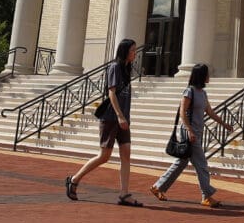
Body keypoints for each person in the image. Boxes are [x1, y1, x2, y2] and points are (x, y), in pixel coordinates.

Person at [65, 38, 142, 206]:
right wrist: (120, 116)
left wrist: (125, 117)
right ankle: (74, 179)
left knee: (126, 154)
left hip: (123, 119)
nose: (135, 53)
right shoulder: (115, 67)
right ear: (124, 51)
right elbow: (112, 94)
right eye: (132, 50)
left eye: (135, 50)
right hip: (111, 118)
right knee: (104, 156)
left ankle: (124, 194)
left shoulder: (128, 69)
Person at [149, 63, 234, 208]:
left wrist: (224, 124)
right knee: (201, 165)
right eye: (207, 74)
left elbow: (210, 112)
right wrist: (189, 130)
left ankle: (158, 187)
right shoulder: (189, 91)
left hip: (197, 133)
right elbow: (182, 112)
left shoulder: (202, 93)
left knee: (181, 162)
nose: (209, 77)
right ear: (201, 76)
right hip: (189, 133)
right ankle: (207, 196)